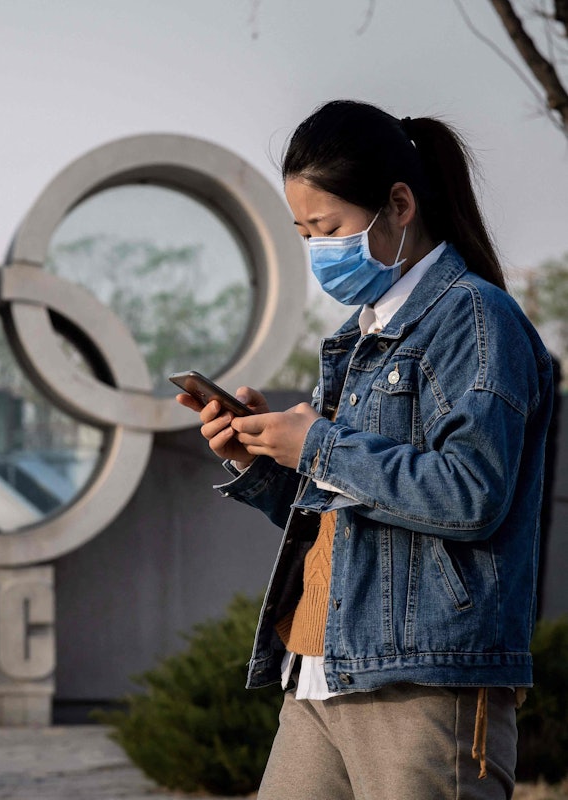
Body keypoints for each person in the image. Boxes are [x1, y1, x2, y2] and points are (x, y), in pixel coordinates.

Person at [176, 100, 554, 799]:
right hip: (317, 670)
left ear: (399, 204)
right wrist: (261, 458)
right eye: (303, 232)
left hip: (424, 685)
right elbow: (348, 510)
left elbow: (470, 495)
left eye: (327, 228)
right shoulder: (360, 338)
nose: (318, 249)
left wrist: (317, 444)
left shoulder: (476, 319)